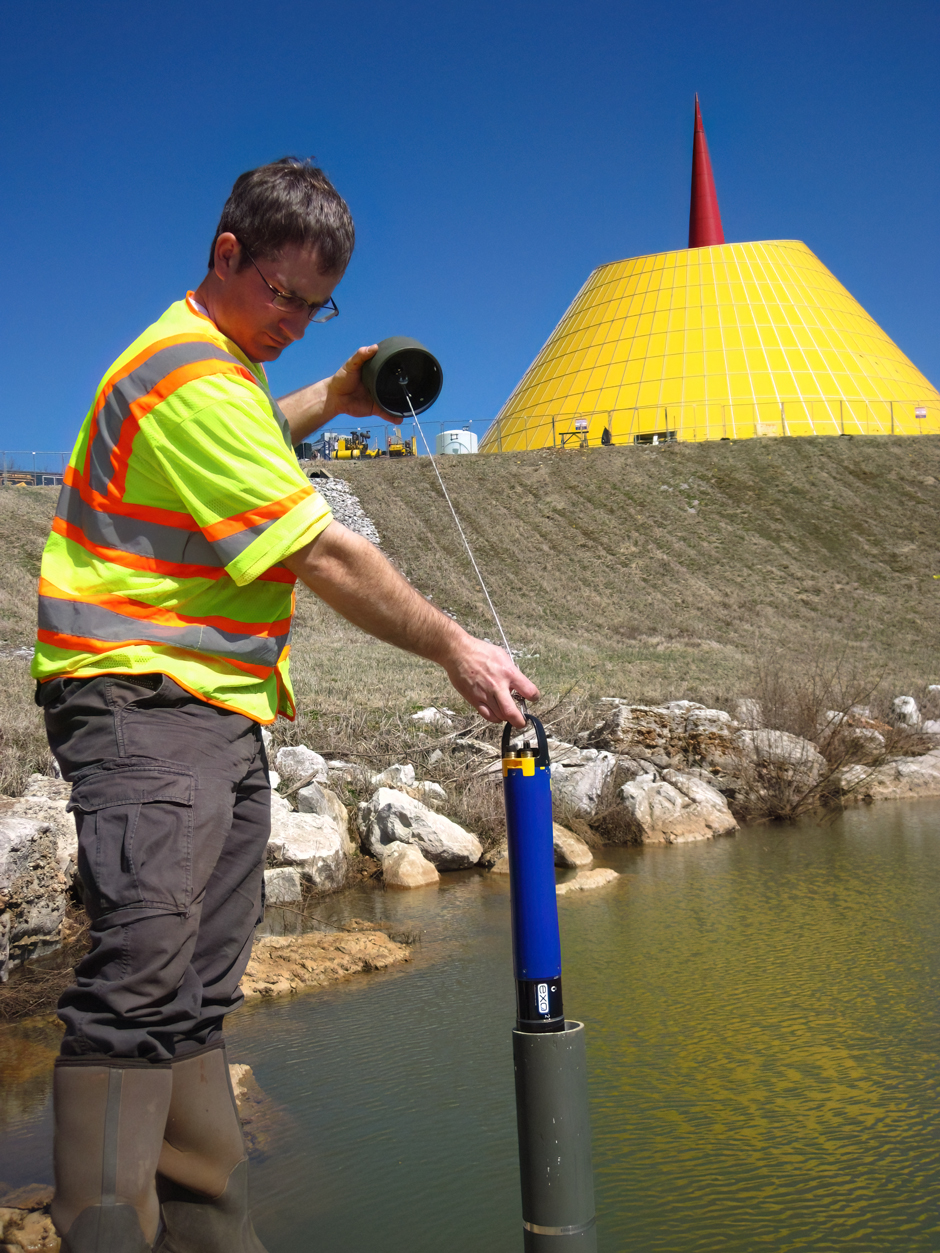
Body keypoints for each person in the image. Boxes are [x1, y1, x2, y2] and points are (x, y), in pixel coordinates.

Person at [32, 157, 538, 1253]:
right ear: (227, 256)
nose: (300, 323)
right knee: (138, 981)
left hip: (212, 712)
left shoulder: (221, 374)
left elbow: (259, 423)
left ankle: (214, 1236)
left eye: (319, 307)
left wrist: (340, 398)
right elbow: (320, 549)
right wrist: (453, 643)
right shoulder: (187, 375)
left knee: (192, 991)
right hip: (140, 703)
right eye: (284, 296)